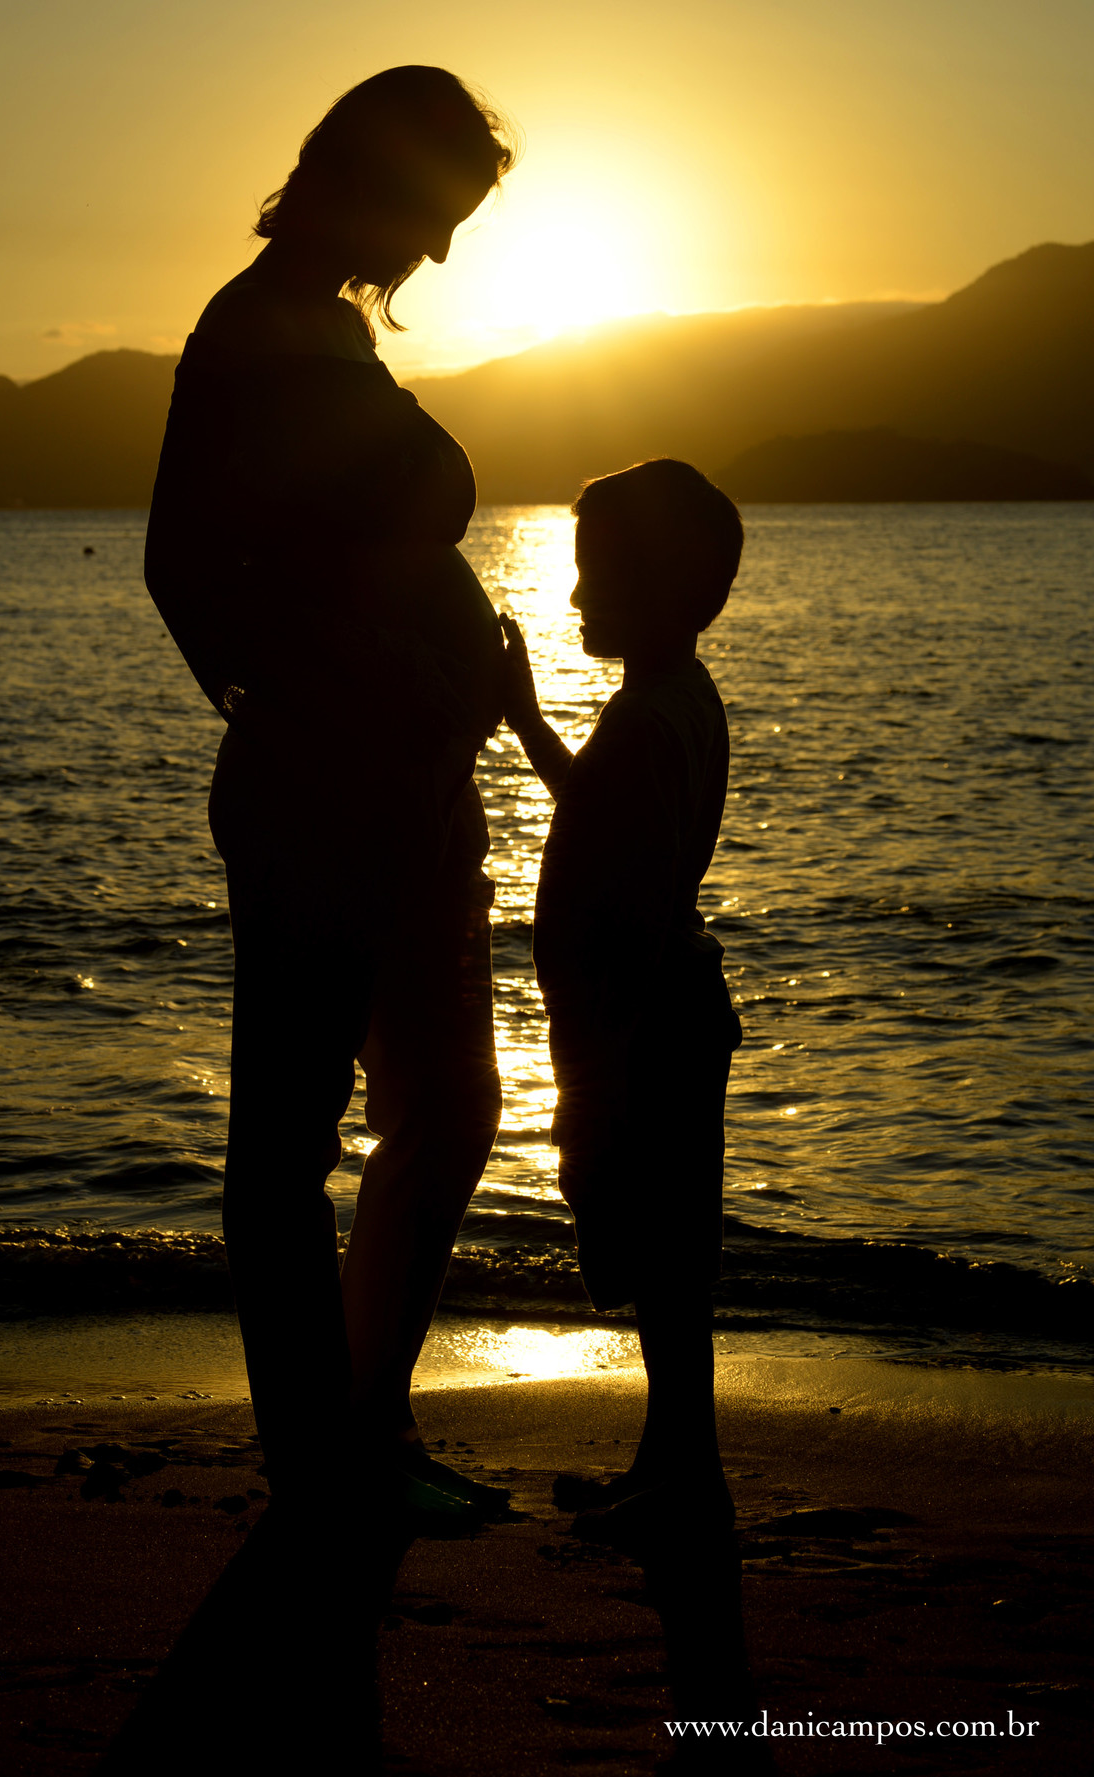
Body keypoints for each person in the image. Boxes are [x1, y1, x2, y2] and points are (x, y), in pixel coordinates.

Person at [144, 68, 517, 1517]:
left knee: (453, 1103)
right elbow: (189, 566)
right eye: (435, 214)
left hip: (409, 785)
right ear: (365, 178)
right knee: (292, 1140)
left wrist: (440, 693)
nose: (438, 252)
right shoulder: (248, 335)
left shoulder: (332, 328)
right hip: (329, 792)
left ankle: (368, 1424)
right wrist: (334, 694)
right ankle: (326, 1459)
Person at [501, 458, 744, 1535]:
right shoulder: (672, 701)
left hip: (651, 1026)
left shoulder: (650, 720)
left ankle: (681, 1472)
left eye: (594, 575)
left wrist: (600, 1050)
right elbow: (598, 814)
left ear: (650, 584)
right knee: (669, 1257)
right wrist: (524, 715)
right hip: (674, 1016)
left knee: (657, 1250)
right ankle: (674, 1464)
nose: (575, 600)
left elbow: (637, 898)